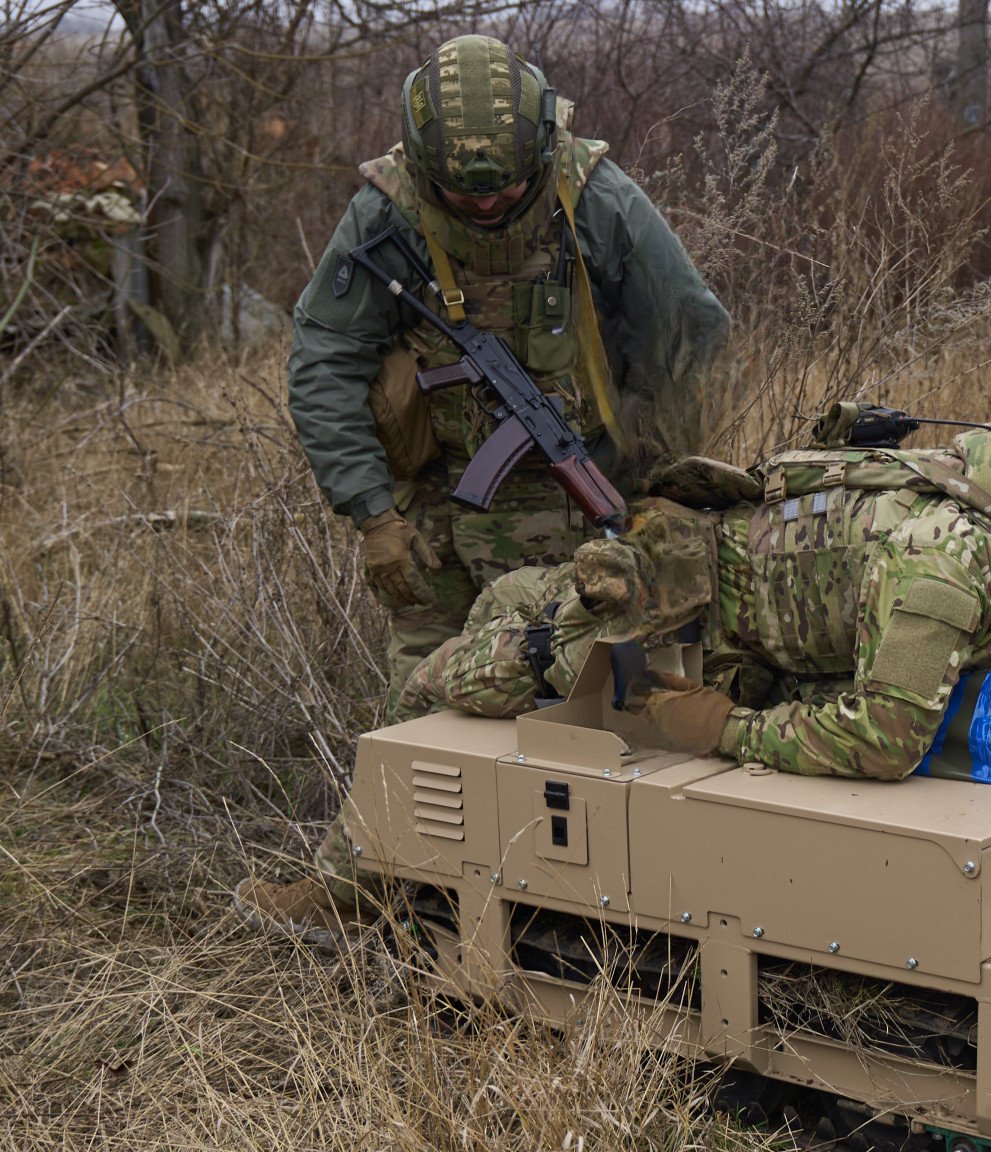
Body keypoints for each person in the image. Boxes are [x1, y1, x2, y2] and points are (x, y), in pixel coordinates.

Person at [238, 34, 729, 943]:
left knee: (583, 700)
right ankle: (373, 882)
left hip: (581, 509)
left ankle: (596, 907)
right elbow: (324, 361)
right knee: (416, 693)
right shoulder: (386, 217)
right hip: (435, 509)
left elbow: (693, 337)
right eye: (468, 194)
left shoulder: (597, 201)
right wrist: (371, 514)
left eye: (506, 186)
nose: (491, 203)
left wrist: (666, 485)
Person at [401, 410, 991, 779]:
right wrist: (728, 730)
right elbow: (884, 739)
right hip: (687, 609)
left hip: (768, 639)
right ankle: (351, 886)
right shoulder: (945, 565)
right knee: (473, 668)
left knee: (509, 591)